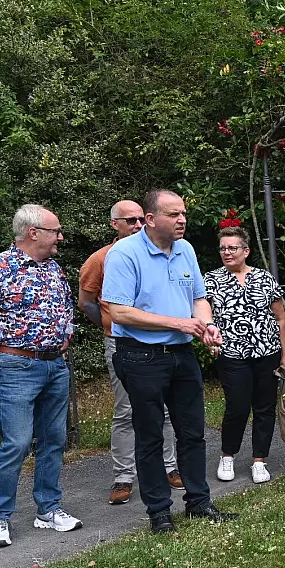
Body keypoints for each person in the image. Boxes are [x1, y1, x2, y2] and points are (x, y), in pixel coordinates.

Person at [102, 189, 237, 534]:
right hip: (140, 355)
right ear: (150, 219)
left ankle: (199, 502)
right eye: (174, 214)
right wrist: (178, 323)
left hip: (182, 354)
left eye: (184, 214)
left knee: (193, 433)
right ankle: (159, 512)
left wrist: (207, 325)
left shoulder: (186, 250)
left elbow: (199, 298)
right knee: (150, 437)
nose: (182, 220)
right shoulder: (124, 253)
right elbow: (118, 311)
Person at [0, 205, 81, 548]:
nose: (61, 237)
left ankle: (48, 509)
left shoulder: (54, 269)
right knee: (18, 442)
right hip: (16, 368)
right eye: (55, 231)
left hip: (56, 366)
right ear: (33, 232)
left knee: (54, 439)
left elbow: (67, 307)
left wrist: (66, 332)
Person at [78, 199, 182, 505]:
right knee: (126, 410)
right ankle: (123, 476)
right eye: (130, 220)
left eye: (140, 219)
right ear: (115, 224)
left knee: (162, 408)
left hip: (159, 342)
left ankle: (169, 466)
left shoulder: (161, 253)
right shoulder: (101, 259)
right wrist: (109, 326)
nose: (137, 225)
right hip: (122, 344)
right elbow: (86, 301)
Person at [205, 226, 285, 485]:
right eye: (223, 248)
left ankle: (259, 460)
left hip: (267, 352)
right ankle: (228, 455)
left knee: (264, 407)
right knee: (237, 406)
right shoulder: (210, 280)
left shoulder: (265, 279)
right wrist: (208, 339)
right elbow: (203, 316)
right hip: (232, 353)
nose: (227, 252)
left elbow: (280, 318)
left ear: (246, 251)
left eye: (232, 248)